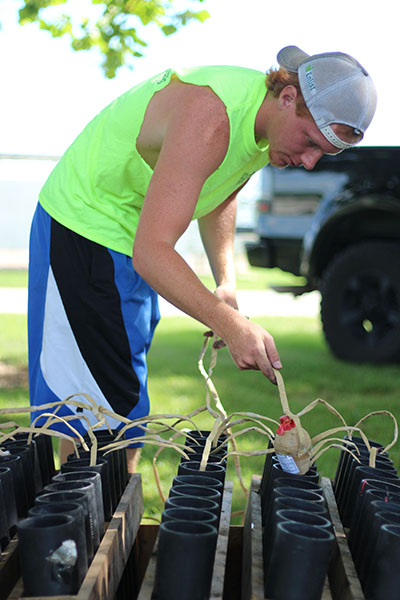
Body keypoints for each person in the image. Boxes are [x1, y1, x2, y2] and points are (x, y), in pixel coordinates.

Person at [28, 45, 377, 471]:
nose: (308, 162)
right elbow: (152, 253)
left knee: (124, 401)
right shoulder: (212, 117)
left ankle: (106, 517)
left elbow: (219, 191)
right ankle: (80, 530)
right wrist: (229, 324)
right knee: (98, 414)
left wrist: (225, 281)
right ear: (288, 98)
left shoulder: (259, 123)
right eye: (309, 142)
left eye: (324, 153)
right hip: (84, 228)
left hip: (128, 235)